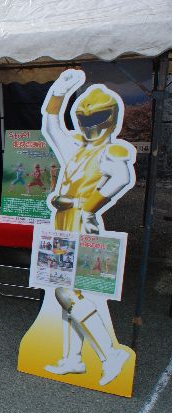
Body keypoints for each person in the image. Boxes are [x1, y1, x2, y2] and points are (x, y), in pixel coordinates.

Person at [42, 70, 135, 386]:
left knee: (68, 292)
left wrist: (88, 205)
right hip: (63, 222)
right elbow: (52, 126)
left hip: (82, 223)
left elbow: (121, 178)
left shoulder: (109, 151)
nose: (89, 124)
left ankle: (110, 354)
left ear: (108, 118)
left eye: (95, 118)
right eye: (85, 118)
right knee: (65, 292)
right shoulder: (76, 148)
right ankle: (73, 358)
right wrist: (59, 92)